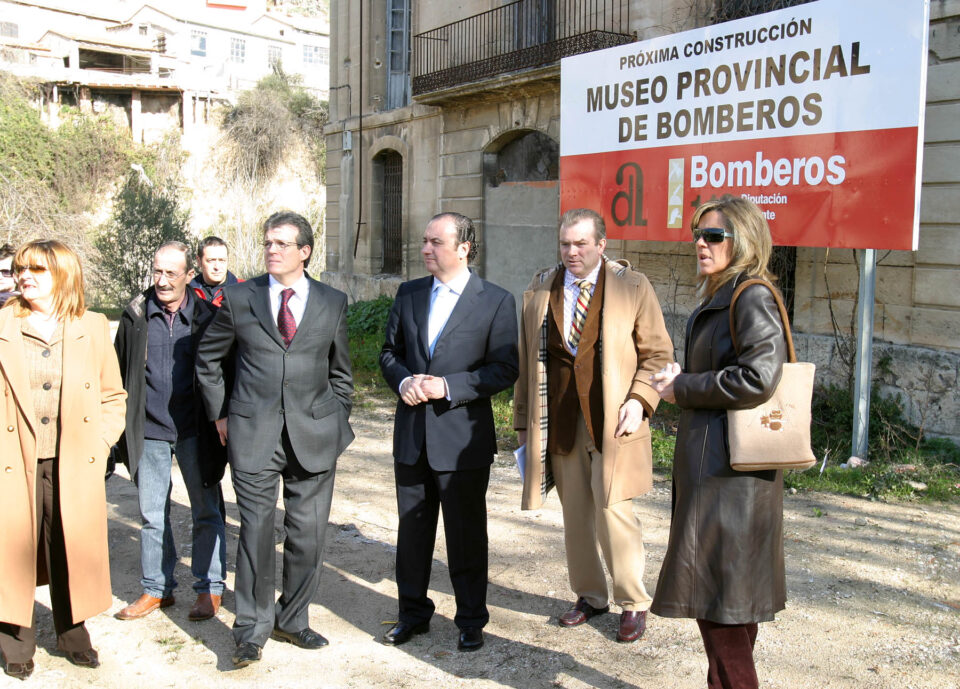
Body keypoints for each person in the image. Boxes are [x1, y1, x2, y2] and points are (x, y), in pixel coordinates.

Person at [196, 211, 354, 668]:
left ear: (305, 252)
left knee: (308, 534)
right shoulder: (240, 297)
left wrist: (336, 417)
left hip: (315, 434)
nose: (272, 250)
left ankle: (293, 619)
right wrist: (221, 414)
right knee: (257, 533)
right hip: (252, 433)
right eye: (268, 243)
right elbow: (209, 359)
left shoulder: (332, 301)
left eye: (282, 244)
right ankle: (251, 629)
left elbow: (341, 372)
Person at [513, 208, 672, 643]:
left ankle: (633, 602)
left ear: (601, 244)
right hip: (560, 420)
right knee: (576, 514)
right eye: (565, 243)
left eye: (581, 244)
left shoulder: (632, 286)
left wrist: (641, 400)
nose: (572, 252)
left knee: (614, 511)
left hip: (612, 423)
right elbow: (527, 361)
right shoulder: (541, 288)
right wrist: (523, 423)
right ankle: (590, 596)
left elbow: (658, 355)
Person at [650, 195, 788, 689]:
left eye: (713, 236)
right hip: (717, 469)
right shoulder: (724, 292)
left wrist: (682, 388)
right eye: (698, 235)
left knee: (719, 607)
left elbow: (758, 377)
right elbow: (730, 370)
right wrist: (683, 377)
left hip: (730, 477)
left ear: (742, 240)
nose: (700, 244)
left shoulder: (750, 295)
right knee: (729, 603)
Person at [379, 212, 518, 652]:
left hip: (461, 443)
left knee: (466, 535)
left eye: (436, 242)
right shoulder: (409, 293)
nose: (426, 249)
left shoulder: (494, 300)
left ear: (464, 248)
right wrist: (404, 381)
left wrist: (448, 387)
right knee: (413, 532)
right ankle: (412, 614)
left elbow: (504, 369)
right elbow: (389, 352)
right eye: (424, 240)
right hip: (413, 436)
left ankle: (471, 619)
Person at [0, 240, 127, 679]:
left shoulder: (91, 326)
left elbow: (113, 394)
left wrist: (101, 444)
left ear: (63, 275)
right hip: (11, 460)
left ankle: (73, 635)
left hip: (73, 461)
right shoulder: (2, 324)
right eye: (20, 269)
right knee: (13, 548)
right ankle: (16, 641)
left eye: (36, 269)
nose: (23, 277)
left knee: (67, 546)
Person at [112, 241, 228, 623]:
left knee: (206, 511)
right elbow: (118, 372)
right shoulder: (135, 316)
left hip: (196, 430)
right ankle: (155, 589)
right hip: (150, 430)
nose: (161, 281)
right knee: (150, 514)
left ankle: (209, 589)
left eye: (171, 273)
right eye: (156, 272)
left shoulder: (209, 318)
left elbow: (225, 373)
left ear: (189, 276)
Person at [190, 236, 241, 307]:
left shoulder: (244, 289)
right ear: (199, 261)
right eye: (211, 260)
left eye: (222, 260)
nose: (217, 267)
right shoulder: (187, 293)